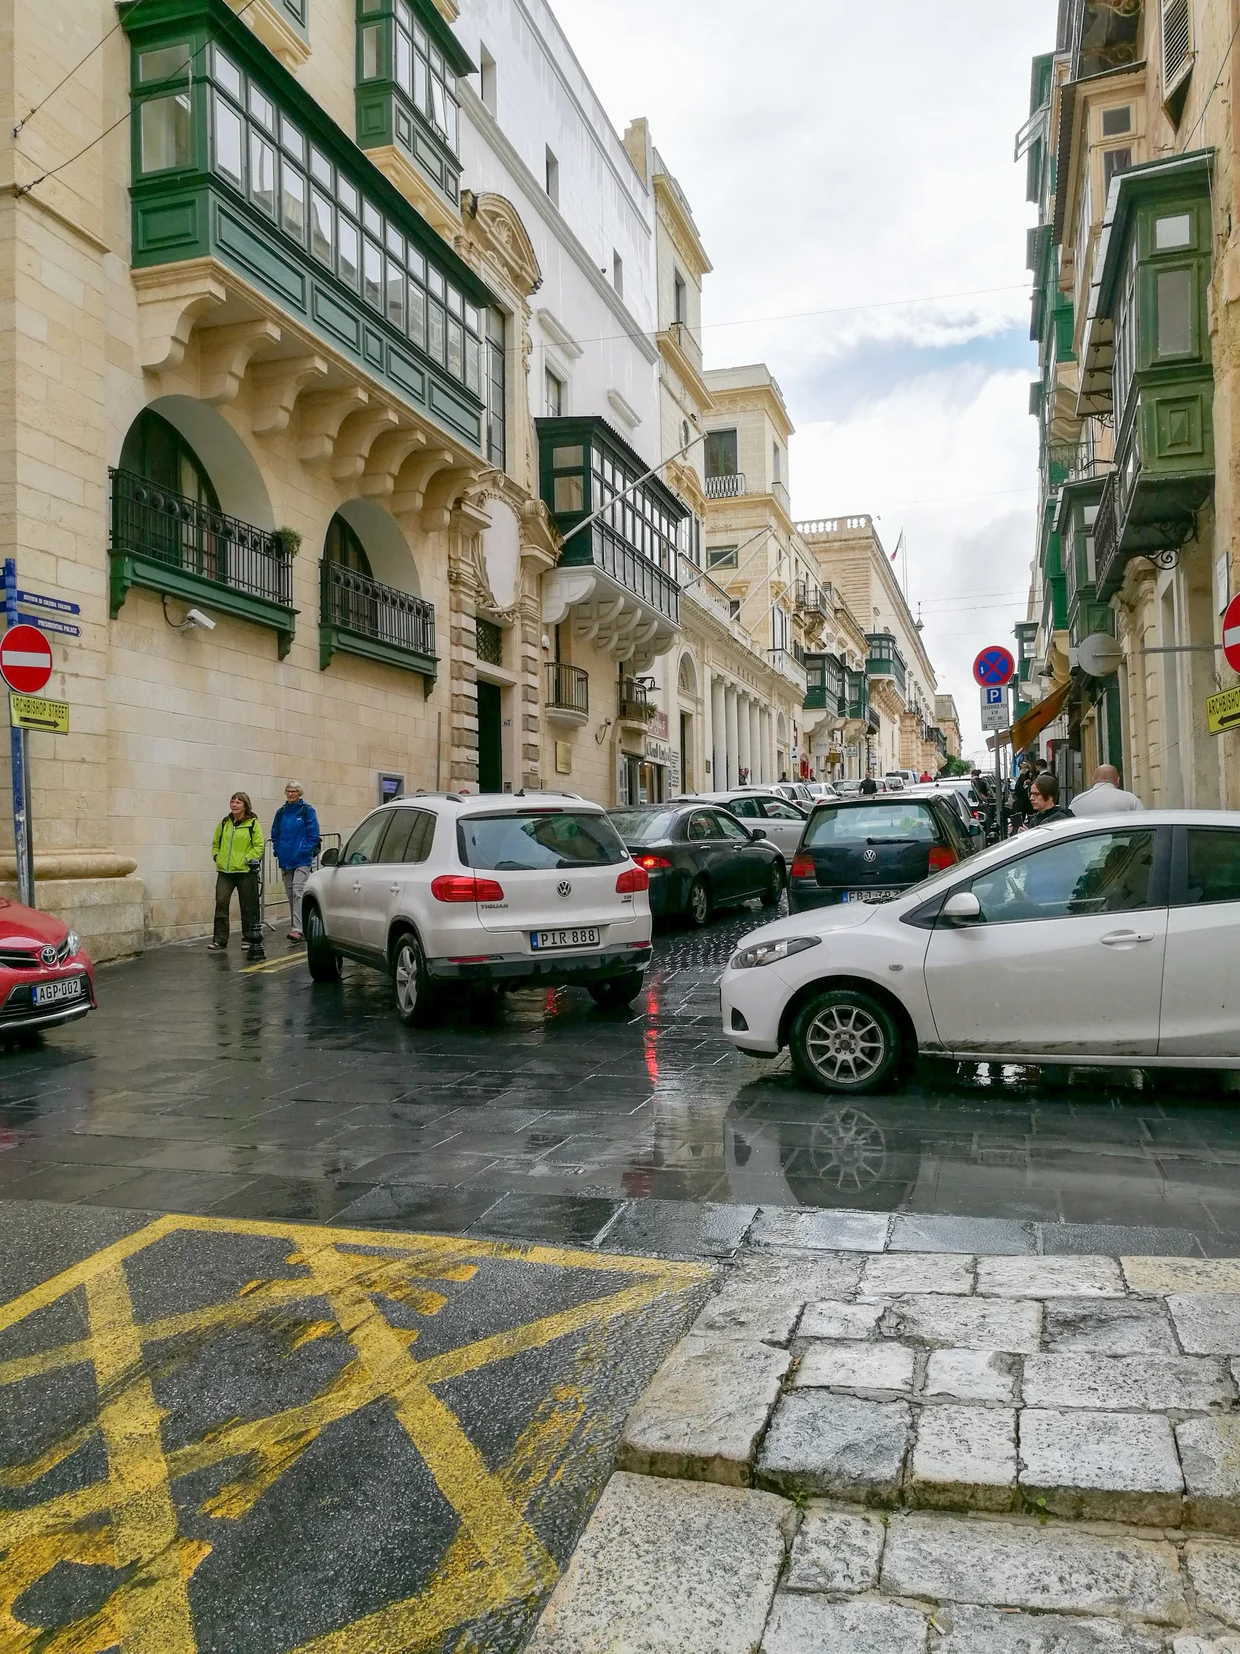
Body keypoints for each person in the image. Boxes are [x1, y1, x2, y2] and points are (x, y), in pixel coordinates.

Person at [209, 792, 265, 960]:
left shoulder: (253, 823)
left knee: (248, 905)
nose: (234, 804)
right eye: (232, 801)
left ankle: (248, 938)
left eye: (238, 802)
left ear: (245, 805)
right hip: (225, 871)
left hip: (244, 871)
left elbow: (258, 845)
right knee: (221, 902)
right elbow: (215, 842)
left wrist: (247, 860)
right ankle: (220, 939)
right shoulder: (225, 822)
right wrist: (216, 856)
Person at [270, 780, 320, 942]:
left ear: (300, 793)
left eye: (294, 791)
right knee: (291, 894)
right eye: (288, 791)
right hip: (285, 859)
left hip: (301, 860)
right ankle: (298, 925)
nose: (290, 794)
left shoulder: (307, 811)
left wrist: (303, 850)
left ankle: (298, 929)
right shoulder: (281, 812)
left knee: (298, 892)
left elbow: (313, 834)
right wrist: (278, 849)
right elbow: (275, 833)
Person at [1070, 763, 1143, 817]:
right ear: (1118, 780)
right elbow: (1142, 823)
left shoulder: (1076, 801)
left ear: (1093, 780)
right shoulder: (1130, 799)